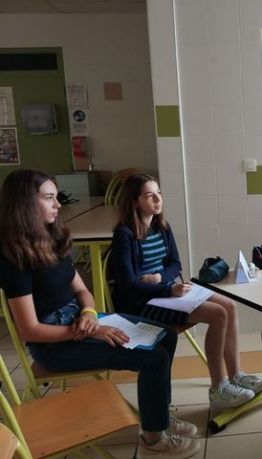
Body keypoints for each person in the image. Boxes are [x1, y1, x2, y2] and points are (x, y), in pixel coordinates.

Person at [0, 170, 200, 459]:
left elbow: (83, 292)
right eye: (49, 198)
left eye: (56, 197)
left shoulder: (51, 239)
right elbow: (30, 330)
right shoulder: (14, 259)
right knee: (154, 358)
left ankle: (159, 416)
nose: (58, 204)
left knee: (166, 335)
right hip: (54, 346)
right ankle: (153, 439)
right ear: (24, 205)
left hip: (81, 321)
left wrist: (90, 314)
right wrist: (89, 329)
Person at [111, 173, 262, 409]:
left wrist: (159, 278)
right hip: (142, 301)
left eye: (158, 193)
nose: (157, 199)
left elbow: (175, 265)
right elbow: (128, 285)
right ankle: (219, 387)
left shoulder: (161, 227)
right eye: (149, 195)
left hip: (166, 290)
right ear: (135, 201)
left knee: (229, 305)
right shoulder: (123, 235)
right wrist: (167, 290)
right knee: (218, 314)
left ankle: (236, 375)